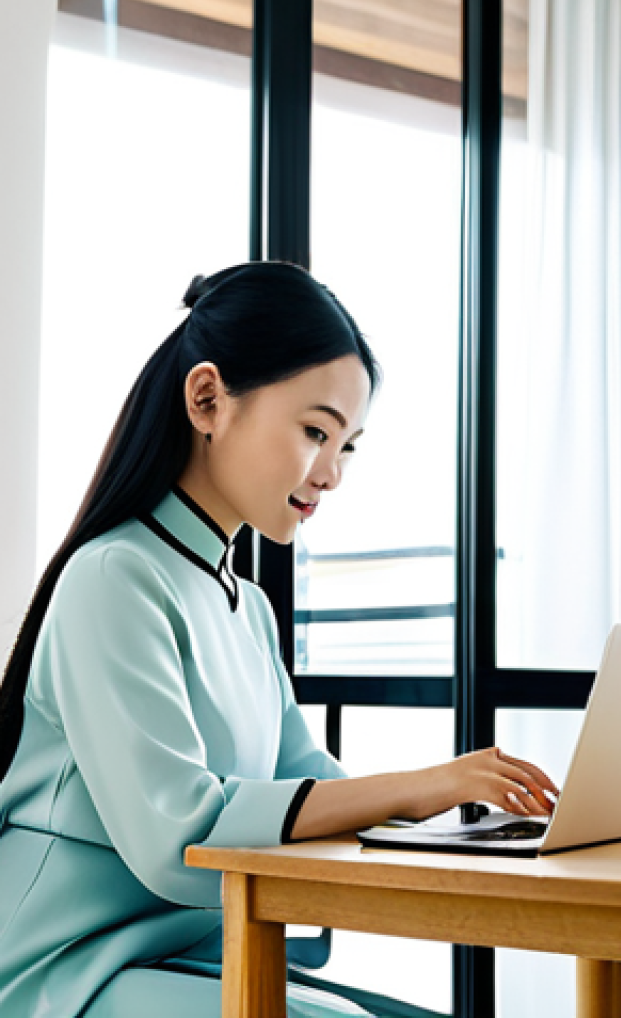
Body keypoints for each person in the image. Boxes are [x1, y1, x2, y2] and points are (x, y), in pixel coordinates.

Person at [0, 262, 559, 1018]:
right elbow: (182, 835)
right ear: (207, 400)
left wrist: (473, 816)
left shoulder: (248, 608)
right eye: (314, 431)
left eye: (348, 446)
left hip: (194, 960)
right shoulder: (114, 577)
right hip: (67, 972)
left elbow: (310, 784)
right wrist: (430, 782)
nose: (330, 474)